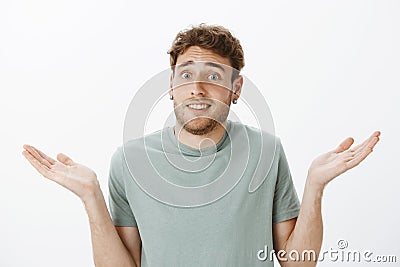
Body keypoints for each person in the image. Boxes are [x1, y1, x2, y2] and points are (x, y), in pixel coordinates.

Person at [22, 24, 380, 267]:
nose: (198, 88)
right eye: (187, 74)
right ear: (172, 85)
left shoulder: (266, 153)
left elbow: (296, 262)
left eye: (213, 76)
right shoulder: (130, 161)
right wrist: (91, 198)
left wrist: (315, 186)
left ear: (236, 89)